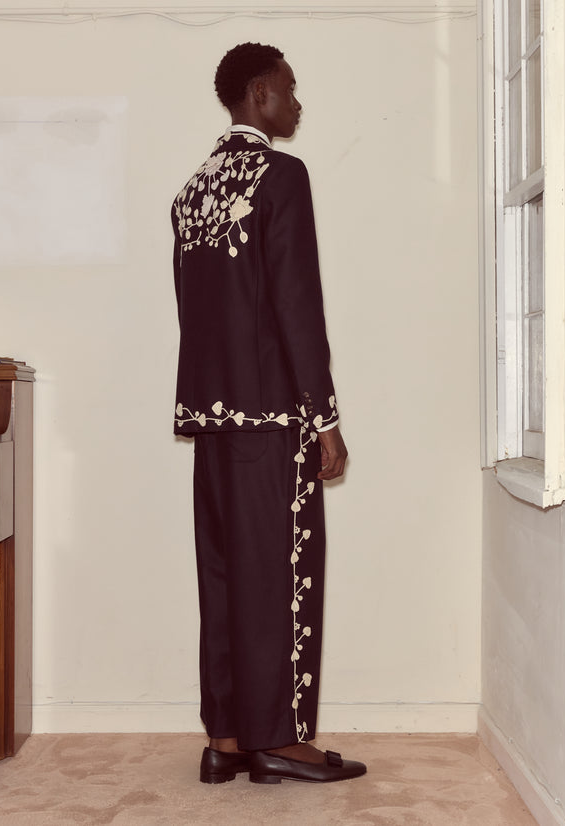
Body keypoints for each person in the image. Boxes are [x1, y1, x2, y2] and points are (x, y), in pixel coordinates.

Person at [171, 42, 366, 785]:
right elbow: (295, 303)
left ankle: (225, 738)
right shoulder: (281, 177)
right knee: (278, 578)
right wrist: (324, 416)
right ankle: (280, 741)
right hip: (271, 422)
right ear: (260, 94)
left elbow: (197, 313)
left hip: (213, 423)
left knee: (223, 576)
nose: (297, 103)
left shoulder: (193, 189)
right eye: (289, 89)